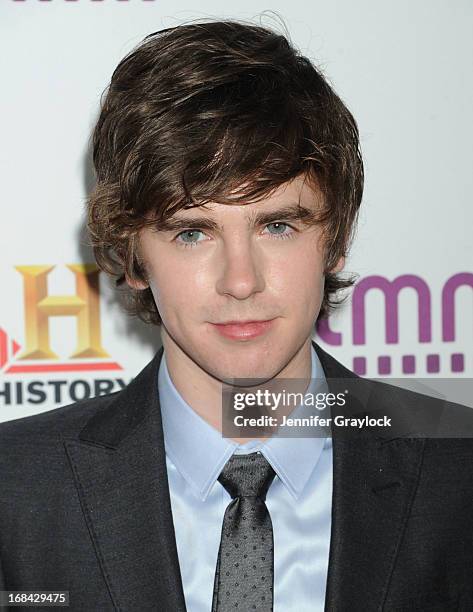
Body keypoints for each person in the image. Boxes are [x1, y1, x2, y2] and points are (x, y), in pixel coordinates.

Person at [1, 19, 472, 612]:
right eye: (193, 232)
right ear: (131, 255)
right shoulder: (15, 492)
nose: (241, 281)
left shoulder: (458, 473)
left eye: (277, 225)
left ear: (336, 238)